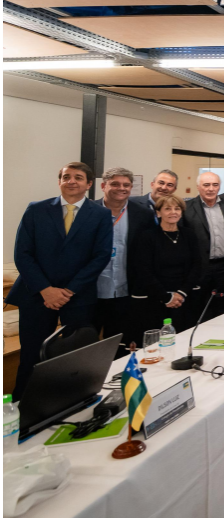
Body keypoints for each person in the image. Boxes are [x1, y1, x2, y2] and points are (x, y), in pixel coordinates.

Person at [10, 162, 113, 399]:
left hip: (77, 296)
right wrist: (46, 290)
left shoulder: (100, 214)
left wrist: (69, 290)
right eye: (66, 177)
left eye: (78, 177)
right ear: (59, 182)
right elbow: (22, 254)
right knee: (31, 355)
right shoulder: (36, 209)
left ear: (89, 184)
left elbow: (101, 256)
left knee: (75, 356)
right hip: (36, 294)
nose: (71, 181)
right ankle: (22, 405)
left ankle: (71, 402)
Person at [94, 167, 155, 352]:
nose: (121, 188)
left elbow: (148, 253)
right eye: (115, 184)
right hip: (93, 290)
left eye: (126, 185)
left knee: (120, 345)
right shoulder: (88, 211)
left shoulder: (143, 214)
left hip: (126, 291)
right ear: (103, 186)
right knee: (86, 343)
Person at [129, 195, 202, 332]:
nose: (173, 212)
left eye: (177, 209)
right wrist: (166, 297)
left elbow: (197, 265)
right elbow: (144, 270)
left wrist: (181, 293)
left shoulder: (189, 235)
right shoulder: (147, 236)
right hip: (155, 298)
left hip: (184, 297)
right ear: (158, 213)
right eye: (167, 209)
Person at [183, 171, 224, 319]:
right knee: (201, 307)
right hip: (201, 267)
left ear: (219, 187)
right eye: (206, 185)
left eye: (215, 185)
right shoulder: (187, 208)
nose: (211, 189)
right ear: (198, 187)